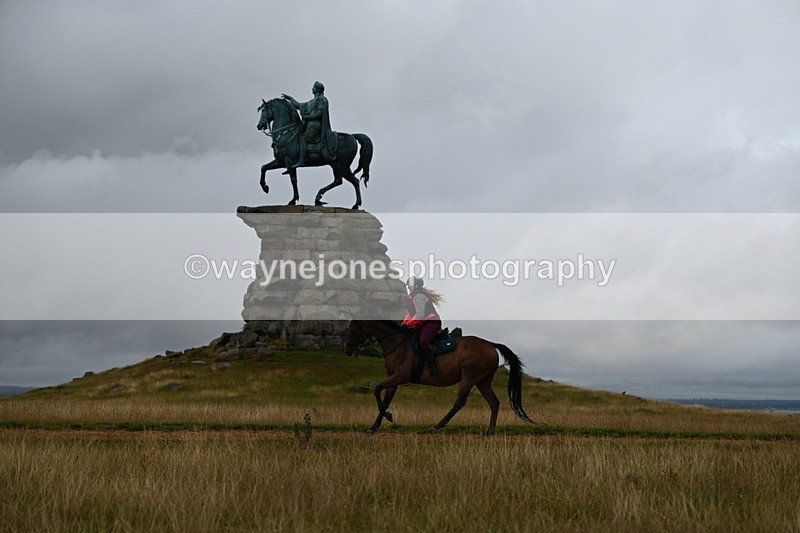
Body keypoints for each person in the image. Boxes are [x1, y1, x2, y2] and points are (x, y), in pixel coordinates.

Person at [281, 81, 337, 167]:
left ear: (317, 89)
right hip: (310, 125)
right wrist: (290, 98)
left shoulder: (322, 100)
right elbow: (299, 106)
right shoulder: (312, 101)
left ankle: (301, 161)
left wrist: (307, 117)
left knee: (303, 138)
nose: (312, 89)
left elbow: (320, 114)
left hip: (316, 126)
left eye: (313, 87)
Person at [401, 277, 444, 375]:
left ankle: (431, 364)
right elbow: (409, 314)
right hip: (422, 323)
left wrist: (409, 323)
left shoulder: (419, 296)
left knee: (423, 342)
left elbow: (420, 314)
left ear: (416, 286)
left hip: (432, 322)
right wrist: (403, 324)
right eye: (408, 286)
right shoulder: (410, 299)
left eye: (410, 286)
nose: (408, 287)